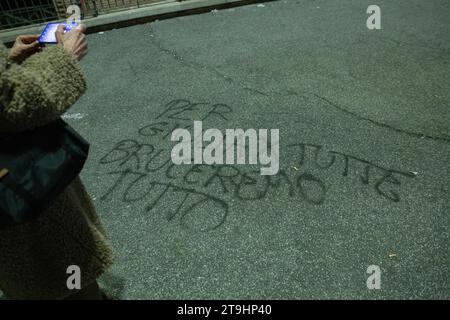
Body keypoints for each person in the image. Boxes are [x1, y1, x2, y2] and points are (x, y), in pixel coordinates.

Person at [0, 24, 114, 299]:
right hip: (18, 186)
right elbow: (13, 101)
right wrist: (65, 56)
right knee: (61, 269)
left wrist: (9, 60)